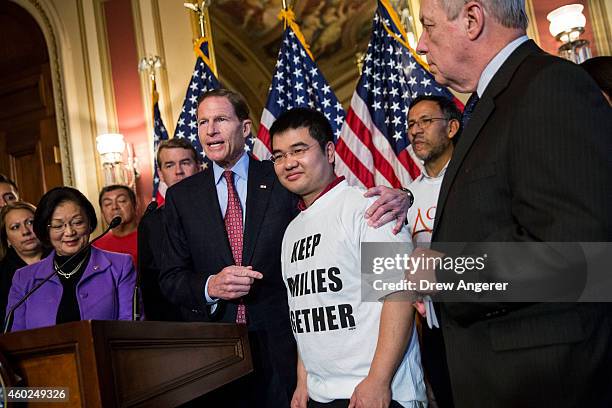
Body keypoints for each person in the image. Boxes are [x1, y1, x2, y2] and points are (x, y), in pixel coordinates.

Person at [412, 0, 612, 407]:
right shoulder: (493, 102)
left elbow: (580, 256)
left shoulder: (548, 86)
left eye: (428, 27)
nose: (421, 44)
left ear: (472, 19)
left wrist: (445, 272)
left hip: (548, 384)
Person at [159, 89, 412, 407]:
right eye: (202, 122)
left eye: (221, 119)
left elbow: (337, 203)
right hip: (218, 351)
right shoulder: (181, 197)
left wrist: (404, 195)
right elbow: (170, 277)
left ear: (246, 127)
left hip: (287, 349)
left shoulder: (283, 175)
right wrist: (209, 285)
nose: (210, 130)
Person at [270, 108, 426, 408]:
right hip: (319, 393)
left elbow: (398, 295)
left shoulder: (369, 207)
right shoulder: (292, 230)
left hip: (376, 391)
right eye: (278, 155)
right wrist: (304, 380)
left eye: (299, 150)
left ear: (329, 151)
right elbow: (305, 311)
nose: (288, 163)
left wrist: (378, 381)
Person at [6, 187, 136, 332]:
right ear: (46, 230)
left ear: (89, 223)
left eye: (78, 222)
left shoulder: (120, 266)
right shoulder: (23, 278)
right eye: (58, 225)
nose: (69, 232)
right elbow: (16, 337)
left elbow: (130, 328)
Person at [406, 95, 460, 408]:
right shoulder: (407, 195)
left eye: (426, 121)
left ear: (452, 127)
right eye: (412, 124)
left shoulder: (471, 179)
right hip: (433, 327)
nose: (416, 130)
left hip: (479, 313)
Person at [139, 138, 201, 320]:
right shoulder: (150, 222)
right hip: (175, 323)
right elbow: (150, 285)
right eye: (169, 165)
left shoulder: (222, 207)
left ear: (198, 166)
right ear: (160, 173)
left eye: (185, 162)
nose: (178, 171)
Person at [0, 202, 47, 321]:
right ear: (7, 239)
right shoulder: (2, 273)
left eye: (30, 222)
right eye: (15, 227)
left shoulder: (63, 258)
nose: (25, 231)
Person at [93, 185, 139, 266]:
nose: (114, 207)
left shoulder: (151, 238)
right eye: (108, 204)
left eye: (121, 201)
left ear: (135, 205)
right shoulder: (96, 246)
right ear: (102, 212)